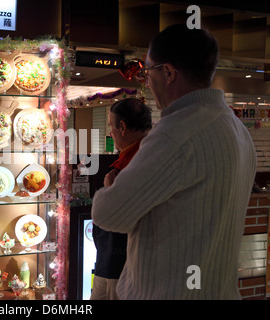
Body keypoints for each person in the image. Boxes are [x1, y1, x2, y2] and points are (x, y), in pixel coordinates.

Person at [91, 24, 257, 299]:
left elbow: (108, 214)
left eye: (147, 73)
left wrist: (109, 186)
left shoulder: (176, 132)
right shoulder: (237, 129)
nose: (146, 81)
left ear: (168, 72)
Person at [90, 98, 152, 300]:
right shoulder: (143, 155)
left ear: (122, 127)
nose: (111, 133)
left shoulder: (137, 162)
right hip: (109, 260)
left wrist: (110, 190)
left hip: (123, 264)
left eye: (111, 126)